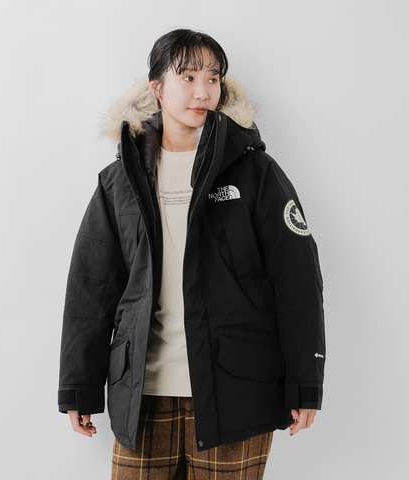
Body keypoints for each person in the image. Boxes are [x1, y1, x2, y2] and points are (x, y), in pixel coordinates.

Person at [58, 28, 325, 479]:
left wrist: (305, 382)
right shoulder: (119, 181)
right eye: (187, 78)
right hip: (142, 396)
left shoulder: (254, 172)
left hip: (236, 395)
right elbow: (92, 285)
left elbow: (297, 276)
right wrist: (79, 384)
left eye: (213, 78)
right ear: (157, 88)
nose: (203, 92)